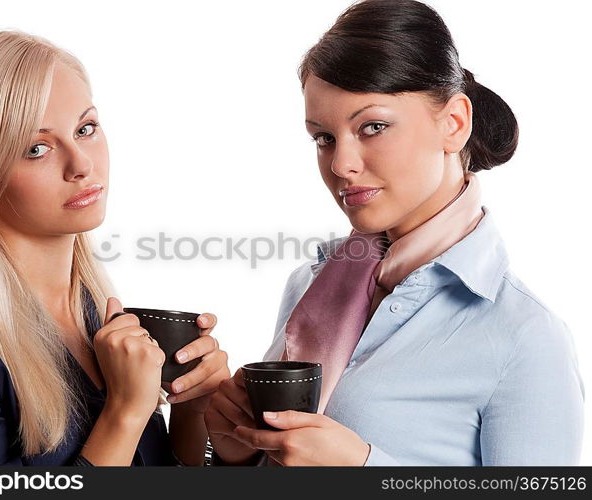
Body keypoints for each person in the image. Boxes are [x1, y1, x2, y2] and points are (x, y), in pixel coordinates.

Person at [204, 0, 584, 466]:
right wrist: (234, 454)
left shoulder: (524, 334)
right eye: (324, 138)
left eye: (373, 127)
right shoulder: (309, 285)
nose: (341, 165)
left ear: (453, 124)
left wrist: (363, 469)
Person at [0, 30, 229, 466]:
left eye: (85, 129)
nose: (82, 164)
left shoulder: (93, 311)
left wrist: (193, 407)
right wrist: (124, 414)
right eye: (36, 148)